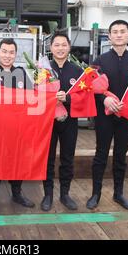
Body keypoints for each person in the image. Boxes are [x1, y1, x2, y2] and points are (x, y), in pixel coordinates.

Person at [87, 20, 128, 211]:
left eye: (123, 31)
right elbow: (89, 89)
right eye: (115, 31)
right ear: (109, 36)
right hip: (104, 116)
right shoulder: (100, 61)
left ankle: (118, 194)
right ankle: (95, 194)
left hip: (126, 116)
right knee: (101, 154)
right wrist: (104, 101)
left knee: (120, 155)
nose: (119, 35)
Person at [0, 38, 35, 211]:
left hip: (17, 128)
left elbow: (33, 98)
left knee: (17, 160)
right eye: (4, 51)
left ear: (15, 54)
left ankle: (17, 193)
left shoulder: (23, 74)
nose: (7, 55)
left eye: (11, 52)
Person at [40, 32, 83, 212]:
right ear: (51, 48)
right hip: (47, 122)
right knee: (47, 159)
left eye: (63, 44)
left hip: (70, 121)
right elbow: (36, 95)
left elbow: (84, 96)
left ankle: (65, 194)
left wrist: (67, 98)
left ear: (69, 47)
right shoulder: (42, 69)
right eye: (56, 45)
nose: (60, 48)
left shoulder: (77, 71)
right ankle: (47, 194)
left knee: (67, 157)